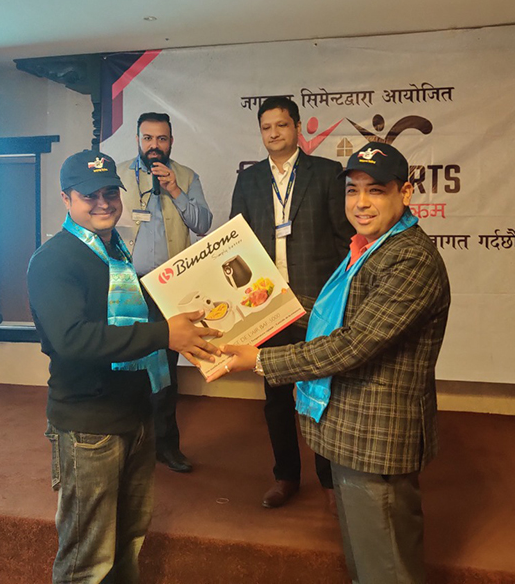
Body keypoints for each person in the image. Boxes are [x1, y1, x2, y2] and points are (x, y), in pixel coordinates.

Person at [223, 141, 451, 584]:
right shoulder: (370, 246)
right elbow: (338, 313)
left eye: (376, 190)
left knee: (386, 566)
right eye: (352, 190)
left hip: (377, 437)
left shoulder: (409, 257)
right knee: (364, 559)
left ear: (405, 193)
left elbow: (352, 344)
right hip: (352, 430)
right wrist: (269, 305)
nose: (360, 202)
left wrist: (261, 359)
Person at [27, 150, 220, 584]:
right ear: (66, 199)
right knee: (88, 559)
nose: (103, 203)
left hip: (136, 415)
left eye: (110, 193)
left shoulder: (115, 249)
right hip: (89, 425)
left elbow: (139, 317)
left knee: (129, 540)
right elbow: (74, 340)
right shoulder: (54, 260)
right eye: (89, 195)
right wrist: (165, 334)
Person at [230, 96, 354, 510]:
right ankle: (285, 476)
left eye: (281, 125)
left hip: (317, 303)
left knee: (321, 393)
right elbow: (236, 244)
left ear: (297, 128)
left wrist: (341, 297)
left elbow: (344, 239)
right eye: (266, 128)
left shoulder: (327, 173)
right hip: (269, 306)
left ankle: (330, 481)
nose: (274, 134)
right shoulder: (249, 180)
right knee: (277, 397)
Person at [117, 112, 213, 474]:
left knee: (166, 372)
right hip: (127, 286)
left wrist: (175, 190)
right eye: (147, 138)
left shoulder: (186, 177)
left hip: (169, 287)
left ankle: (166, 446)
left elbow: (203, 225)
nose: (154, 146)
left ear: (171, 142)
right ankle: (127, 445)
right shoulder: (118, 175)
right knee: (127, 366)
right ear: (138, 141)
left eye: (161, 139)